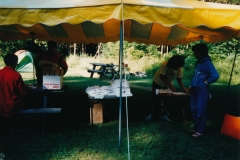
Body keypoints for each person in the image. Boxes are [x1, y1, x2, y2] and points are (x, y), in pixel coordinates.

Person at [188, 43, 219, 137]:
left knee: (200, 110)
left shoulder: (207, 63)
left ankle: (200, 131)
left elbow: (215, 75)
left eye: (195, 52)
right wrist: (191, 85)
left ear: (200, 52)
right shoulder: (198, 62)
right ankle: (196, 128)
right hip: (194, 88)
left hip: (202, 89)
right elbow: (195, 75)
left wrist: (207, 82)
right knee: (193, 109)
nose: (194, 54)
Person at [145, 55, 188, 121]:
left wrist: (183, 88)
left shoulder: (179, 68)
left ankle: (164, 115)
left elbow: (179, 79)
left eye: (179, 67)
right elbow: (162, 76)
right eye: (176, 66)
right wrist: (170, 85)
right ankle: (151, 114)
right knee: (155, 98)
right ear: (174, 63)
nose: (177, 68)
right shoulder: (165, 64)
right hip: (158, 82)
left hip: (168, 84)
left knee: (167, 99)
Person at [0, 54, 28, 133]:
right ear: (16, 63)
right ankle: (20, 125)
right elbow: (23, 93)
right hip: (13, 105)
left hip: (1, 104)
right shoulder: (16, 75)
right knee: (30, 102)